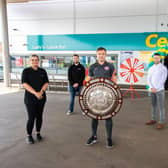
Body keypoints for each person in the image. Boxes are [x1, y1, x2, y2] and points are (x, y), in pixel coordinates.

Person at [86, 47, 116, 148]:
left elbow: (114, 78)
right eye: (99, 54)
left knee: (108, 117)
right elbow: (88, 79)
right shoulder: (92, 66)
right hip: (95, 96)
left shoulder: (110, 66)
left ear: (105, 54)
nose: (101, 55)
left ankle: (109, 138)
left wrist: (115, 90)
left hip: (108, 96)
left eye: (103, 54)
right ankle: (94, 136)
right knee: (94, 117)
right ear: (96, 55)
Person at [21, 54, 49, 144]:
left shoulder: (42, 71)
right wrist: (35, 93)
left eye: (36, 60)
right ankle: (29, 135)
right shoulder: (26, 71)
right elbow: (24, 84)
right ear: (30, 61)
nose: (34, 61)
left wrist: (41, 92)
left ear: (38, 61)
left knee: (39, 116)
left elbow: (46, 83)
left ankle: (38, 133)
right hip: (30, 99)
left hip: (41, 98)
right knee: (31, 117)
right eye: (32, 60)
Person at [146, 53, 168, 129]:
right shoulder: (151, 68)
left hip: (160, 90)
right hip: (151, 90)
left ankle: (161, 122)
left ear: (160, 59)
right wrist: (152, 87)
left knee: (161, 106)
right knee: (153, 105)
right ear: (153, 59)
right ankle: (153, 119)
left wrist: (156, 88)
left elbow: (163, 80)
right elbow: (148, 79)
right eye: (155, 58)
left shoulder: (163, 68)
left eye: (157, 58)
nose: (156, 59)